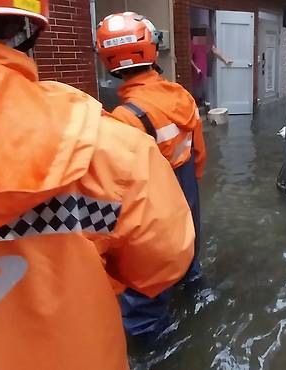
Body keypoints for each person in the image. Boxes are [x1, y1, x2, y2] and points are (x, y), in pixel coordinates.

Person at [0, 3, 195, 370]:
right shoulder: (163, 108)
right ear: (27, 28)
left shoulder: (127, 120)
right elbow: (163, 259)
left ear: (107, 59)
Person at [95, 12, 207, 339]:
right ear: (152, 51)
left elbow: (116, 192)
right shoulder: (180, 95)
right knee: (188, 249)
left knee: (143, 281)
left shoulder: (123, 119)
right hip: (186, 185)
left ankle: (153, 342)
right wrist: (193, 181)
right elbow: (198, 150)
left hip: (153, 202)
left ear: (108, 61)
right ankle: (194, 284)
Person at [191, 27, 232, 107]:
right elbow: (189, 58)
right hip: (196, 68)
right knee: (196, 86)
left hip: (203, 66)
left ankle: (204, 102)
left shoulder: (203, 41)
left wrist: (225, 59)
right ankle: (196, 103)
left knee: (203, 85)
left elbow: (214, 50)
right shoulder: (193, 42)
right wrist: (196, 68)